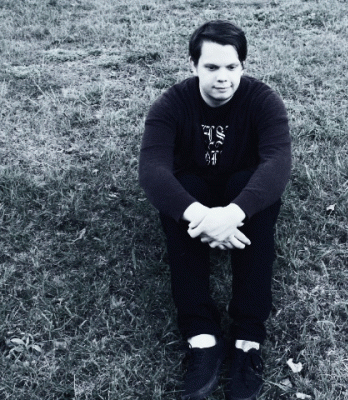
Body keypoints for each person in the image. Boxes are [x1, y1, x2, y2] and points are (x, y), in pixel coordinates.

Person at [139, 20, 291, 400]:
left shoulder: (263, 101)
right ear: (193, 65)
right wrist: (202, 217)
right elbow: (152, 170)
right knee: (182, 192)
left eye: (232, 66)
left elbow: (277, 164)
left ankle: (247, 339)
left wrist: (232, 215)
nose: (223, 77)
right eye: (211, 67)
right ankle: (201, 336)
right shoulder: (171, 104)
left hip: (243, 195)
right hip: (196, 198)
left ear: (242, 65)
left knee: (252, 190)